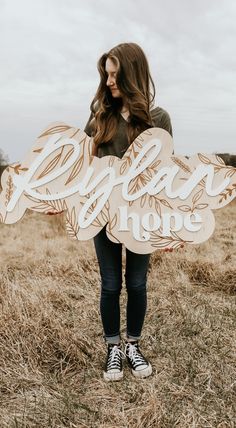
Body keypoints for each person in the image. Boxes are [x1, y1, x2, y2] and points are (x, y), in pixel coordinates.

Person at [84, 42, 173, 382]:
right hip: (103, 215)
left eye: (114, 74)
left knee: (136, 284)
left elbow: (164, 176)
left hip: (141, 217)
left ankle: (133, 345)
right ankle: (113, 349)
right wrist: (61, 201)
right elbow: (83, 168)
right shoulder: (99, 117)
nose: (108, 82)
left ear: (132, 74)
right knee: (110, 285)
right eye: (105, 74)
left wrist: (170, 225)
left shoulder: (158, 118)